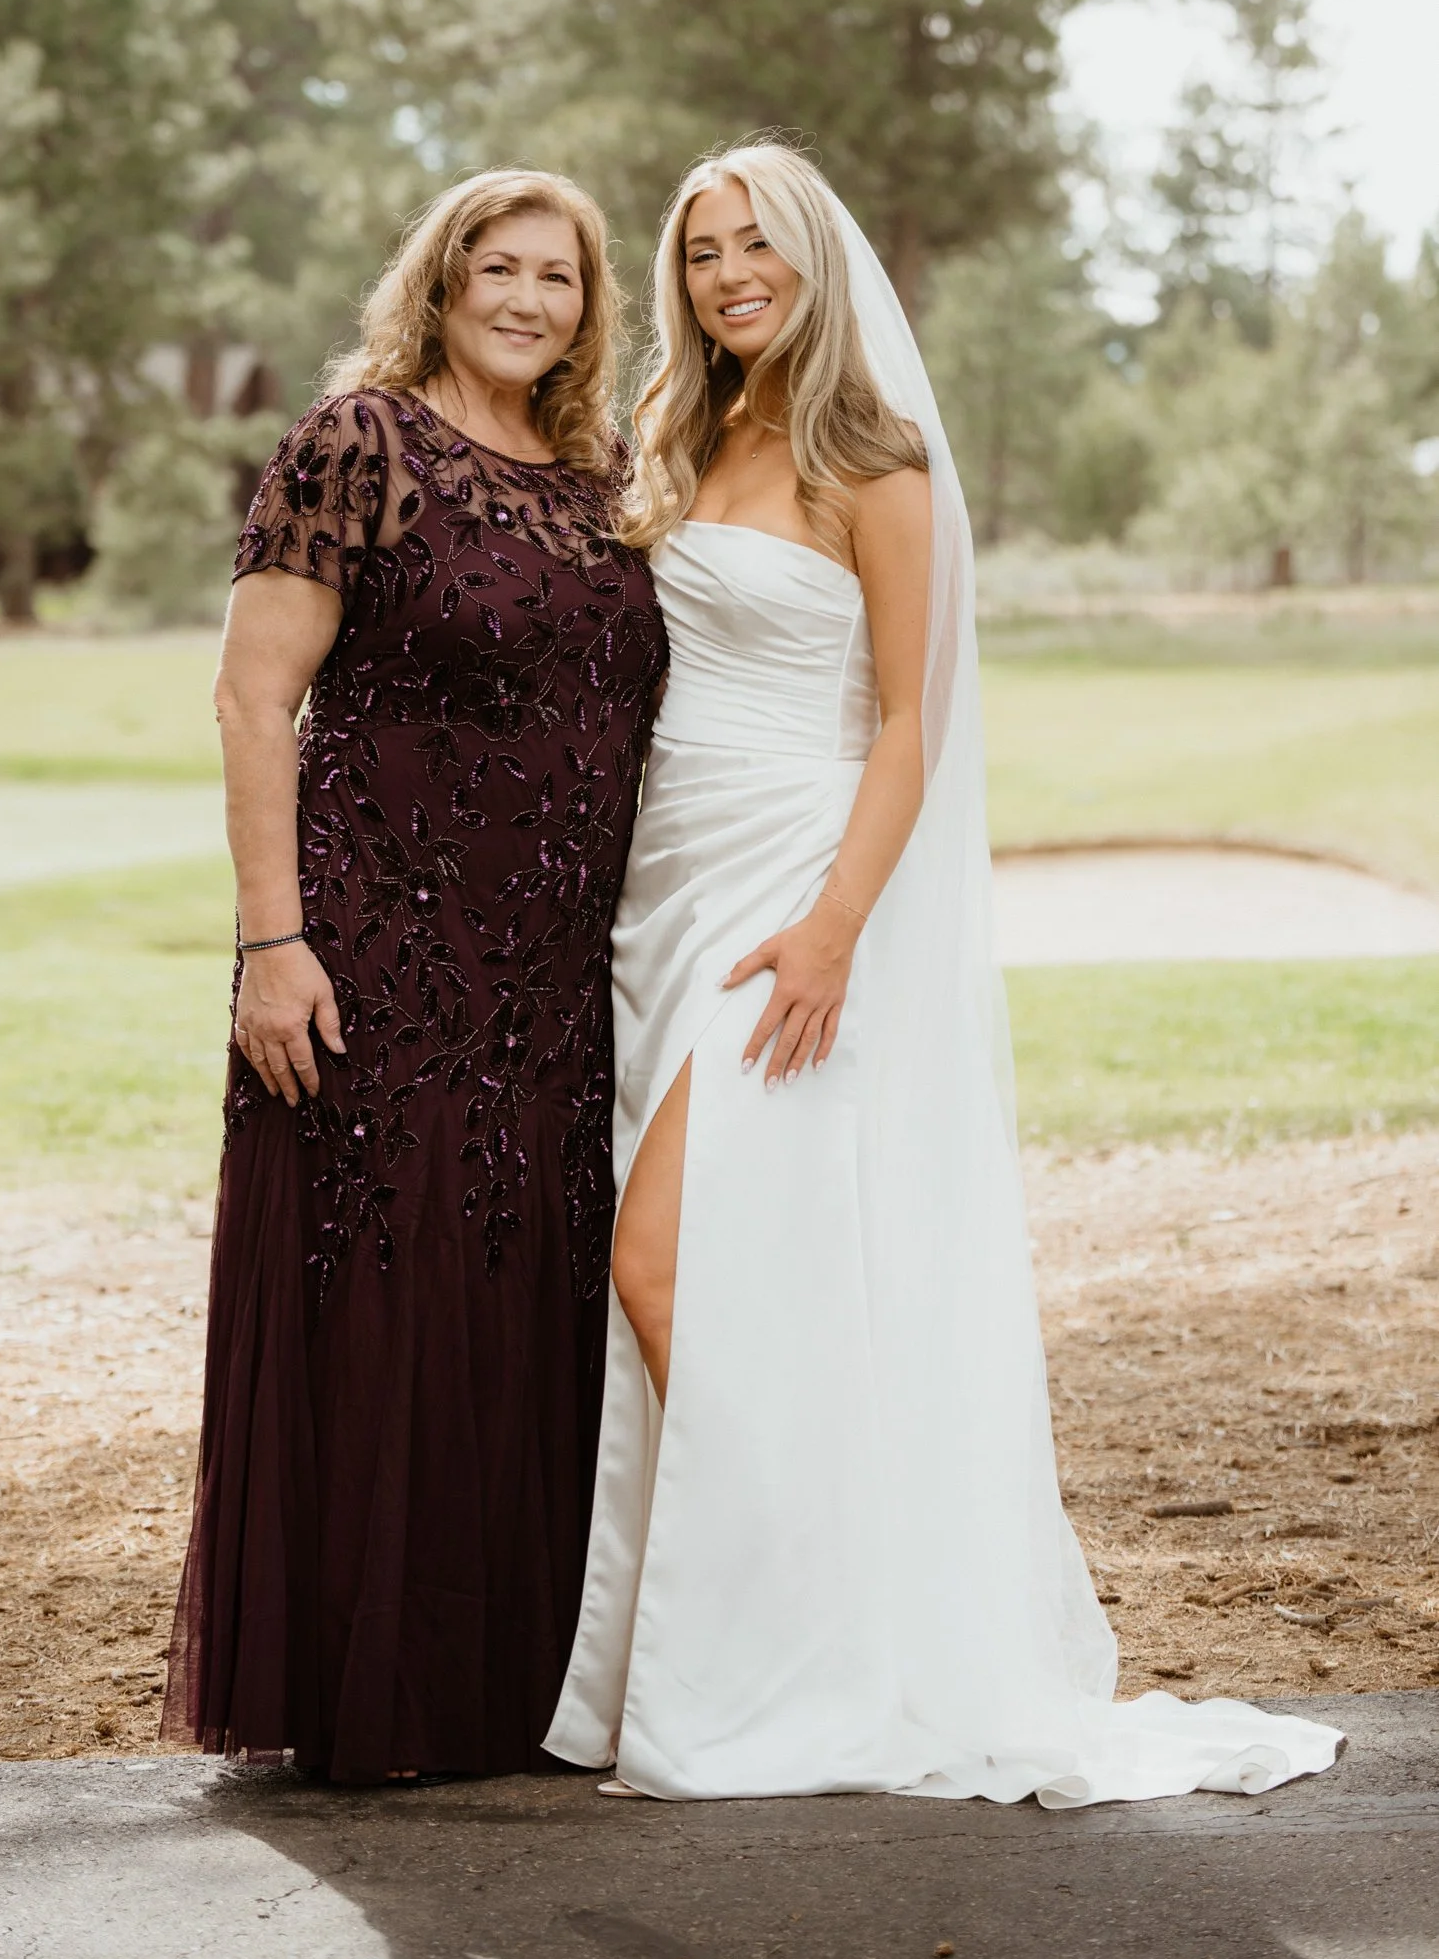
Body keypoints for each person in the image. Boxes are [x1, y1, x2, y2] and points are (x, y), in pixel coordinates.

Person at [544, 142, 1341, 1806]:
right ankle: (763, 1629)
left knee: (663, 1263)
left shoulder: (870, 457)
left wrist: (837, 924)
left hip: (792, 885)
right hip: (666, 885)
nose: (729, 274)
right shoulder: (685, 439)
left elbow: (913, 722)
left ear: (820, 259)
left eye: (758, 244)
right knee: (740, 1278)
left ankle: (820, 1631)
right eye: (700, 253)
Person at [164, 169, 667, 1782]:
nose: (528, 300)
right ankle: (380, 1698)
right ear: (437, 284)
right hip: (379, 946)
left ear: (591, 308)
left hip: (559, 966)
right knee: (394, 1306)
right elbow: (254, 704)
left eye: (560, 278)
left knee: (526, 1300)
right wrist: (270, 939)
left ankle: (522, 1682)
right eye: (495, 269)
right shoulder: (355, 444)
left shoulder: (601, 475)